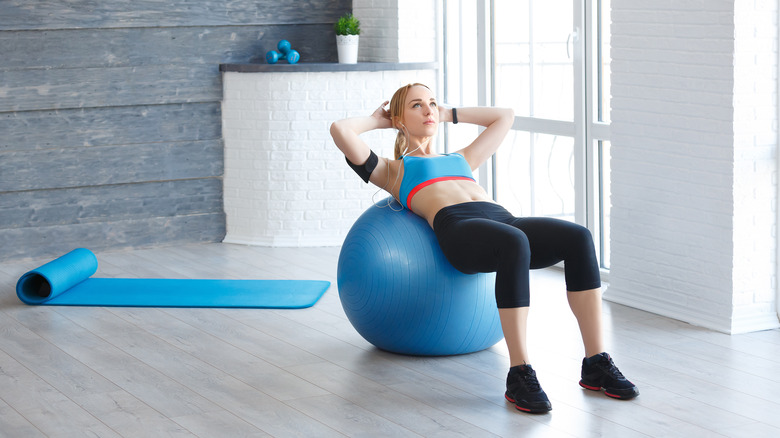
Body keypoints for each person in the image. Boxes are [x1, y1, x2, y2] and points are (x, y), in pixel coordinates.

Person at [329, 83, 638, 413]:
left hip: (503, 220)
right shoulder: (393, 170)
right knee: (513, 241)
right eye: (417, 105)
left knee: (578, 237)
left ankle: (596, 363)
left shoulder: (462, 158)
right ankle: (520, 372)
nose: (429, 109)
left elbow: (505, 116)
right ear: (399, 118)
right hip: (459, 229)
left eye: (432, 102)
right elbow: (340, 130)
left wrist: (448, 113)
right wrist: (381, 120)